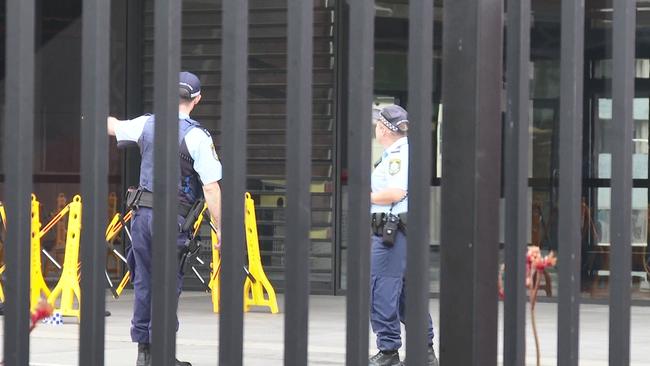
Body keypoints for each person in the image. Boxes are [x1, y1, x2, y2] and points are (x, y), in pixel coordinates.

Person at [107, 71, 222, 366]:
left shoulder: (147, 124)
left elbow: (112, 126)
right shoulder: (197, 136)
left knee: (144, 282)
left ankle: (144, 356)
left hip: (142, 218)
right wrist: (221, 229)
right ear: (197, 99)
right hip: (173, 221)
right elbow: (210, 187)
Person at [368, 105, 438, 366]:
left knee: (382, 289)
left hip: (392, 235)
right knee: (407, 294)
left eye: (377, 124)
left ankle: (388, 351)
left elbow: (397, 192)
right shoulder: (400, 152)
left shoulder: (398, 155)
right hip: (400, 233)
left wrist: (367, 195)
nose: (375, 128)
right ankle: (425, 350)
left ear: (384, 128)